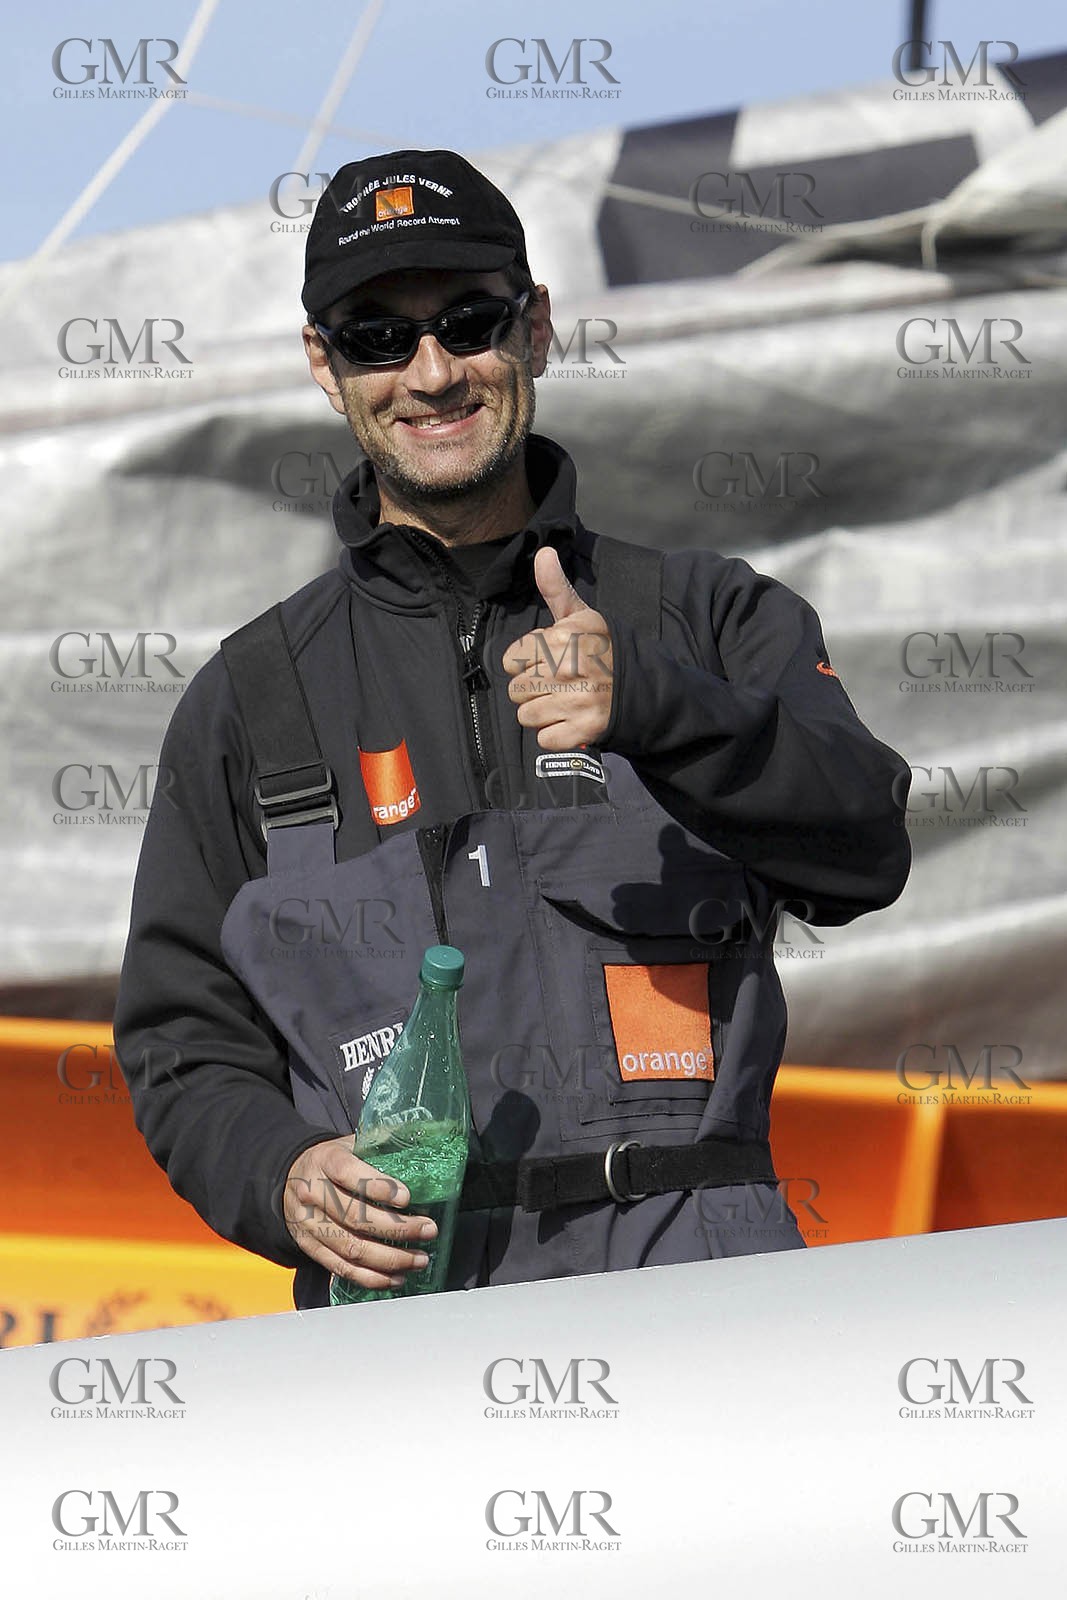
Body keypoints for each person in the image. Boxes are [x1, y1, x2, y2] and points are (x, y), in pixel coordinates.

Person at [115, 149, 911, 1311]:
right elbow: (183, 1042)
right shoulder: (249, 699)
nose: (430, 372)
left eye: (469, 320)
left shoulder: (703, 618)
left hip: (708, 1319)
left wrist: (654, 705)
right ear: (323, 365)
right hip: (399, 1340)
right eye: (377, 337)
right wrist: (278, 1175)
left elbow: (865, 851)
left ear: (535, 327)